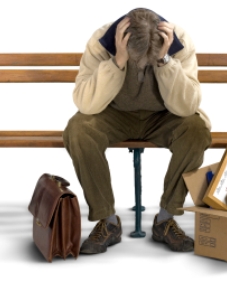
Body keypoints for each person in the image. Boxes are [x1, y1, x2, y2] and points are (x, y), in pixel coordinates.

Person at [63, 8, 212, 254]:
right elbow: (85, 103)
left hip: (164, 116)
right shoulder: (101, 40)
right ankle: (107, 222)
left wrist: (165, 61)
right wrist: (118, 61)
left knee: (196, 129)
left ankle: (165, 219)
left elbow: (187, 107)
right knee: (79, 130)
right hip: (115, 115)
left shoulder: (180, 39)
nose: (142, 65)